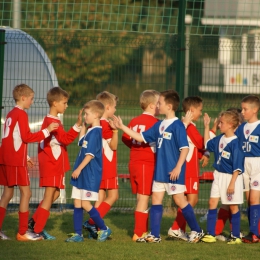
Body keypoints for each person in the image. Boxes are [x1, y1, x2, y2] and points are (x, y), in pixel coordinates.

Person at [113, 90, 204, 243]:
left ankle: (197, 230)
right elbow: (141, 137)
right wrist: (122, 127)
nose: (158, 105)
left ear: (169, 106)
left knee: (180, 200)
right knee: (156, 199)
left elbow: (185, 148)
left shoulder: (177, 126)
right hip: (160, 171)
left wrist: (178, 167)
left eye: (160, 103)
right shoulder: (160, 125)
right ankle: (155, 235)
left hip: (173, 171)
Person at [0, 84, 58, 241]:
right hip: (15, 162)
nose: (32, 102)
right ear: (23, 98)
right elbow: (26, 137)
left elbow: (11, 139)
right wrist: (47, 131)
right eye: (31, 99)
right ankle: (23, 232)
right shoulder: (21, 114)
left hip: (5, 159)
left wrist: (25, 157)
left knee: (7, 193)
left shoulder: (11, 114)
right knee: (27, 193)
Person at [27, 87, 82, 240]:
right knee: (49, 195)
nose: (66, 106)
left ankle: (33, 223)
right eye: (64, 103)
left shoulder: (54, 120)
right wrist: (77, 125)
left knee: (55, 194)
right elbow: (65, 139)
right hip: (52, 164)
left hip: (55, 164)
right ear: (55, 103)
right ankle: (37, 230)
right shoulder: (52, 121)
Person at [66, 100, 112, 242]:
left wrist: (79, 169)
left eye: (87, 114)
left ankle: (104, 229)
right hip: (82, 174)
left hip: (89, 174)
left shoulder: (96, 133)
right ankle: (78, 235)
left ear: (97, 115)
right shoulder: (91, 131)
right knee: (77, 203)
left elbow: (90, 155)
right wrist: (83, 127)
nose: (85, 116)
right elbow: (81, 142)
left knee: (86, 204)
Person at [168, 96, 209, 241]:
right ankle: (175, 227)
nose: (200, 113)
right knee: (192, 199)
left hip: (183, 168)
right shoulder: (190, 127)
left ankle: (179, 229)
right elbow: (203, 143)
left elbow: (192, 146)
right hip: (189, 169)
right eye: (200, 110)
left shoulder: (181, 125)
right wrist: (207, 127)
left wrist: (203, 154)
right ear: (192, 110)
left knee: (184, 199)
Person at [201, 111, 244, 245]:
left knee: (232, 207)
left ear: (231, 125)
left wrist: (232, 184)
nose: (219, 125)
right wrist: (207, 126)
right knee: (212, 202)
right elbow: (207, 144)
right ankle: (210, 234)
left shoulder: (236, 143)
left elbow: (237, 167)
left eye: (222, 123)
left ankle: (236, 236)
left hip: (231, 177)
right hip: (218, 175)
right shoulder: (220, 138)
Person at [121, 90, 159, 242]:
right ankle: (138, 233)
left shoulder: (134, 120)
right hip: (146, 163)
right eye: (158, 104)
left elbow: (125, 138)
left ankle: (143, 229)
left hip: (134, 162)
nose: (159, 107)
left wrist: (135, 147)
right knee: (144, 198)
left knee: (141, 197)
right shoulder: (155, 123)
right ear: (151, 106)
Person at [83, 91, 119, 239]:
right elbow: (114, 146)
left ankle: (97, 230)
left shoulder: (94, 124)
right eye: (115, 107)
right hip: (107, 166)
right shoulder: (106, 125)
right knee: (114, 195)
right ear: (108, 107)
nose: (116, 110)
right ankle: (92, 222)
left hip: (97, 166)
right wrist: (116, 131)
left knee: (100, 197)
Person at [235, 95, 260, 243]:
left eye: (245, 109)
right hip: (244, 164)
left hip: (257, 163)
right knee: (249, 200)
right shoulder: (242, 128)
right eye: (242, 108)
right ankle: (255, 230)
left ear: (255, 109)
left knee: (254, 199)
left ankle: (254, 233)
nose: (242, 112)